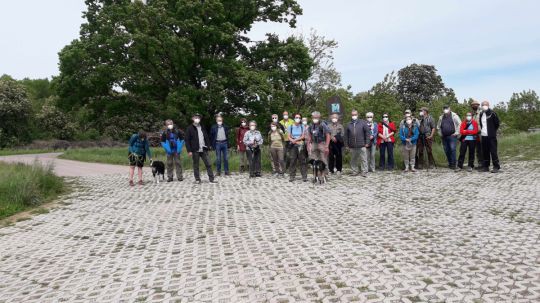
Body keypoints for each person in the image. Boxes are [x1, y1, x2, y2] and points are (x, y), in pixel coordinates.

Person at [185, 114, 216, 184]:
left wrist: (208, 145)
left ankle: (211, 179)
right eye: (195, 118)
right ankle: (197, 179)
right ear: (193, 118)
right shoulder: (189, 128)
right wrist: (189, 150)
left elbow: (206, 137)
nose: (197, 119)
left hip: (204, 148)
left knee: (208, 164)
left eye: (198, 118)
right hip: (195, 150)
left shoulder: (202, 127)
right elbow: (187, 140)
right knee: (196, 165)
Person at [306, 111, 331, 181]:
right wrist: (308, 145)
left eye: (316, 117)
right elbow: (309, 135)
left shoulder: (323, 125)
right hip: (314, 143)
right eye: (314, 117)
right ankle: (315, 175)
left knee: (323, 159)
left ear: (319, 117)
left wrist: (327, 146)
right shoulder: (311, 125)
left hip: (322, 143)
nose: (315, 119)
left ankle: (324, 175)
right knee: (314, 160)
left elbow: (328, 135)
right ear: (312, 117)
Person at [345, 110, 371, 177]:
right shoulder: (348, 124)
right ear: (351, 115)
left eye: (355, 114)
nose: (354, 116)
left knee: (364, 159)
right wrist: (346, 145)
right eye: (353, 115)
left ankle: (364, 171)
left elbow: (367, 133)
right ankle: (355, 171)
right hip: (352, 145)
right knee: (353, 159)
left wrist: (367, 142)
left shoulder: (363, 123)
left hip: (362, 144)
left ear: (357, 114)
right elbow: (346, 136)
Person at [479, 101, 501, 173]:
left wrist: (492, 131)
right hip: (484, 135)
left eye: (485, 105)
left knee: (493, 151)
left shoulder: (492, 113)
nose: (484, 106)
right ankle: (486, 166)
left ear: (488, 105)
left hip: (491, 136)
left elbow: (497, 123)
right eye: (483, 105)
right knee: (485, 152)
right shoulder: (481, 114)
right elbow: (481, 124)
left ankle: (496, 166)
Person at [437, 105, 461, 170]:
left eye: (447, 108)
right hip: (444, 136)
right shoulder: (441, 117)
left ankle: (454, 164)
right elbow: (438, 127)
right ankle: (450, 163)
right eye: (444, 108)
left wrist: (456, 133)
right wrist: (440, 134)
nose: (445, 109)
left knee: (452, 149)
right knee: (446, 150)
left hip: (452, 136)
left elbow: (460, 124)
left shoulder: (454, 116)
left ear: (450, 109)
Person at [288, 113, 308, 182]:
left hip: (301, 145)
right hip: (293, 146)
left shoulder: (303, 126)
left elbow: (303, 136)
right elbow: (289, 136)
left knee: (302, 160)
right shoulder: (290, 126)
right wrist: (293, 141)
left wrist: (295, 140)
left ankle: (304, 176)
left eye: (299, 118)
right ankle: (292, 176)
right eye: (296, 117)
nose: (298, 119)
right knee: (293, 160)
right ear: (294, 118)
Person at [470, 100, 484, 169]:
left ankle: (484, 163)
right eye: (473, 105)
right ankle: (480, 163)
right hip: (474, 134)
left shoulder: (482, 113)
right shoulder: (472, 114)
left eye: (476, 105)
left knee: (482, 148)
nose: (474, 106)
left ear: (478, 105)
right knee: (477, 149)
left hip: (481, 133)